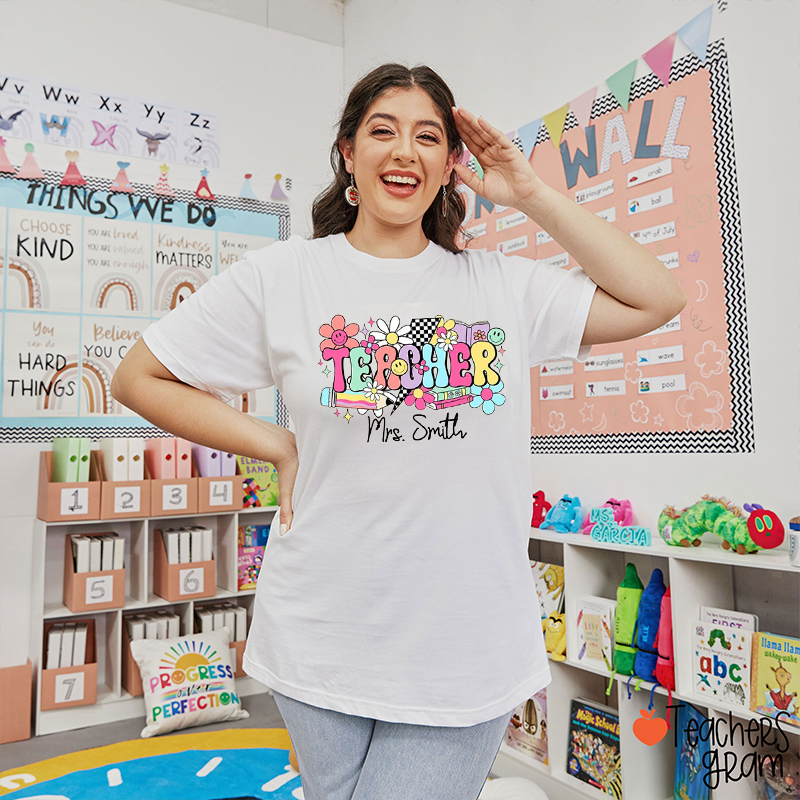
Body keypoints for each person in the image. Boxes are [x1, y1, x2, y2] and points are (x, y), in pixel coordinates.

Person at [112, 63, 685, 800]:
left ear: (452, 164)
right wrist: (275, 443)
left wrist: (534, 194)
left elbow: (657, 298)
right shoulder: (283, 277)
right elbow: (139, 378)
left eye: (428, 136)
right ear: (348, 152)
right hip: (318, 629)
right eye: (382, 131)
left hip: (462, 642)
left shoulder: (501, 286)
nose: (404, 151)